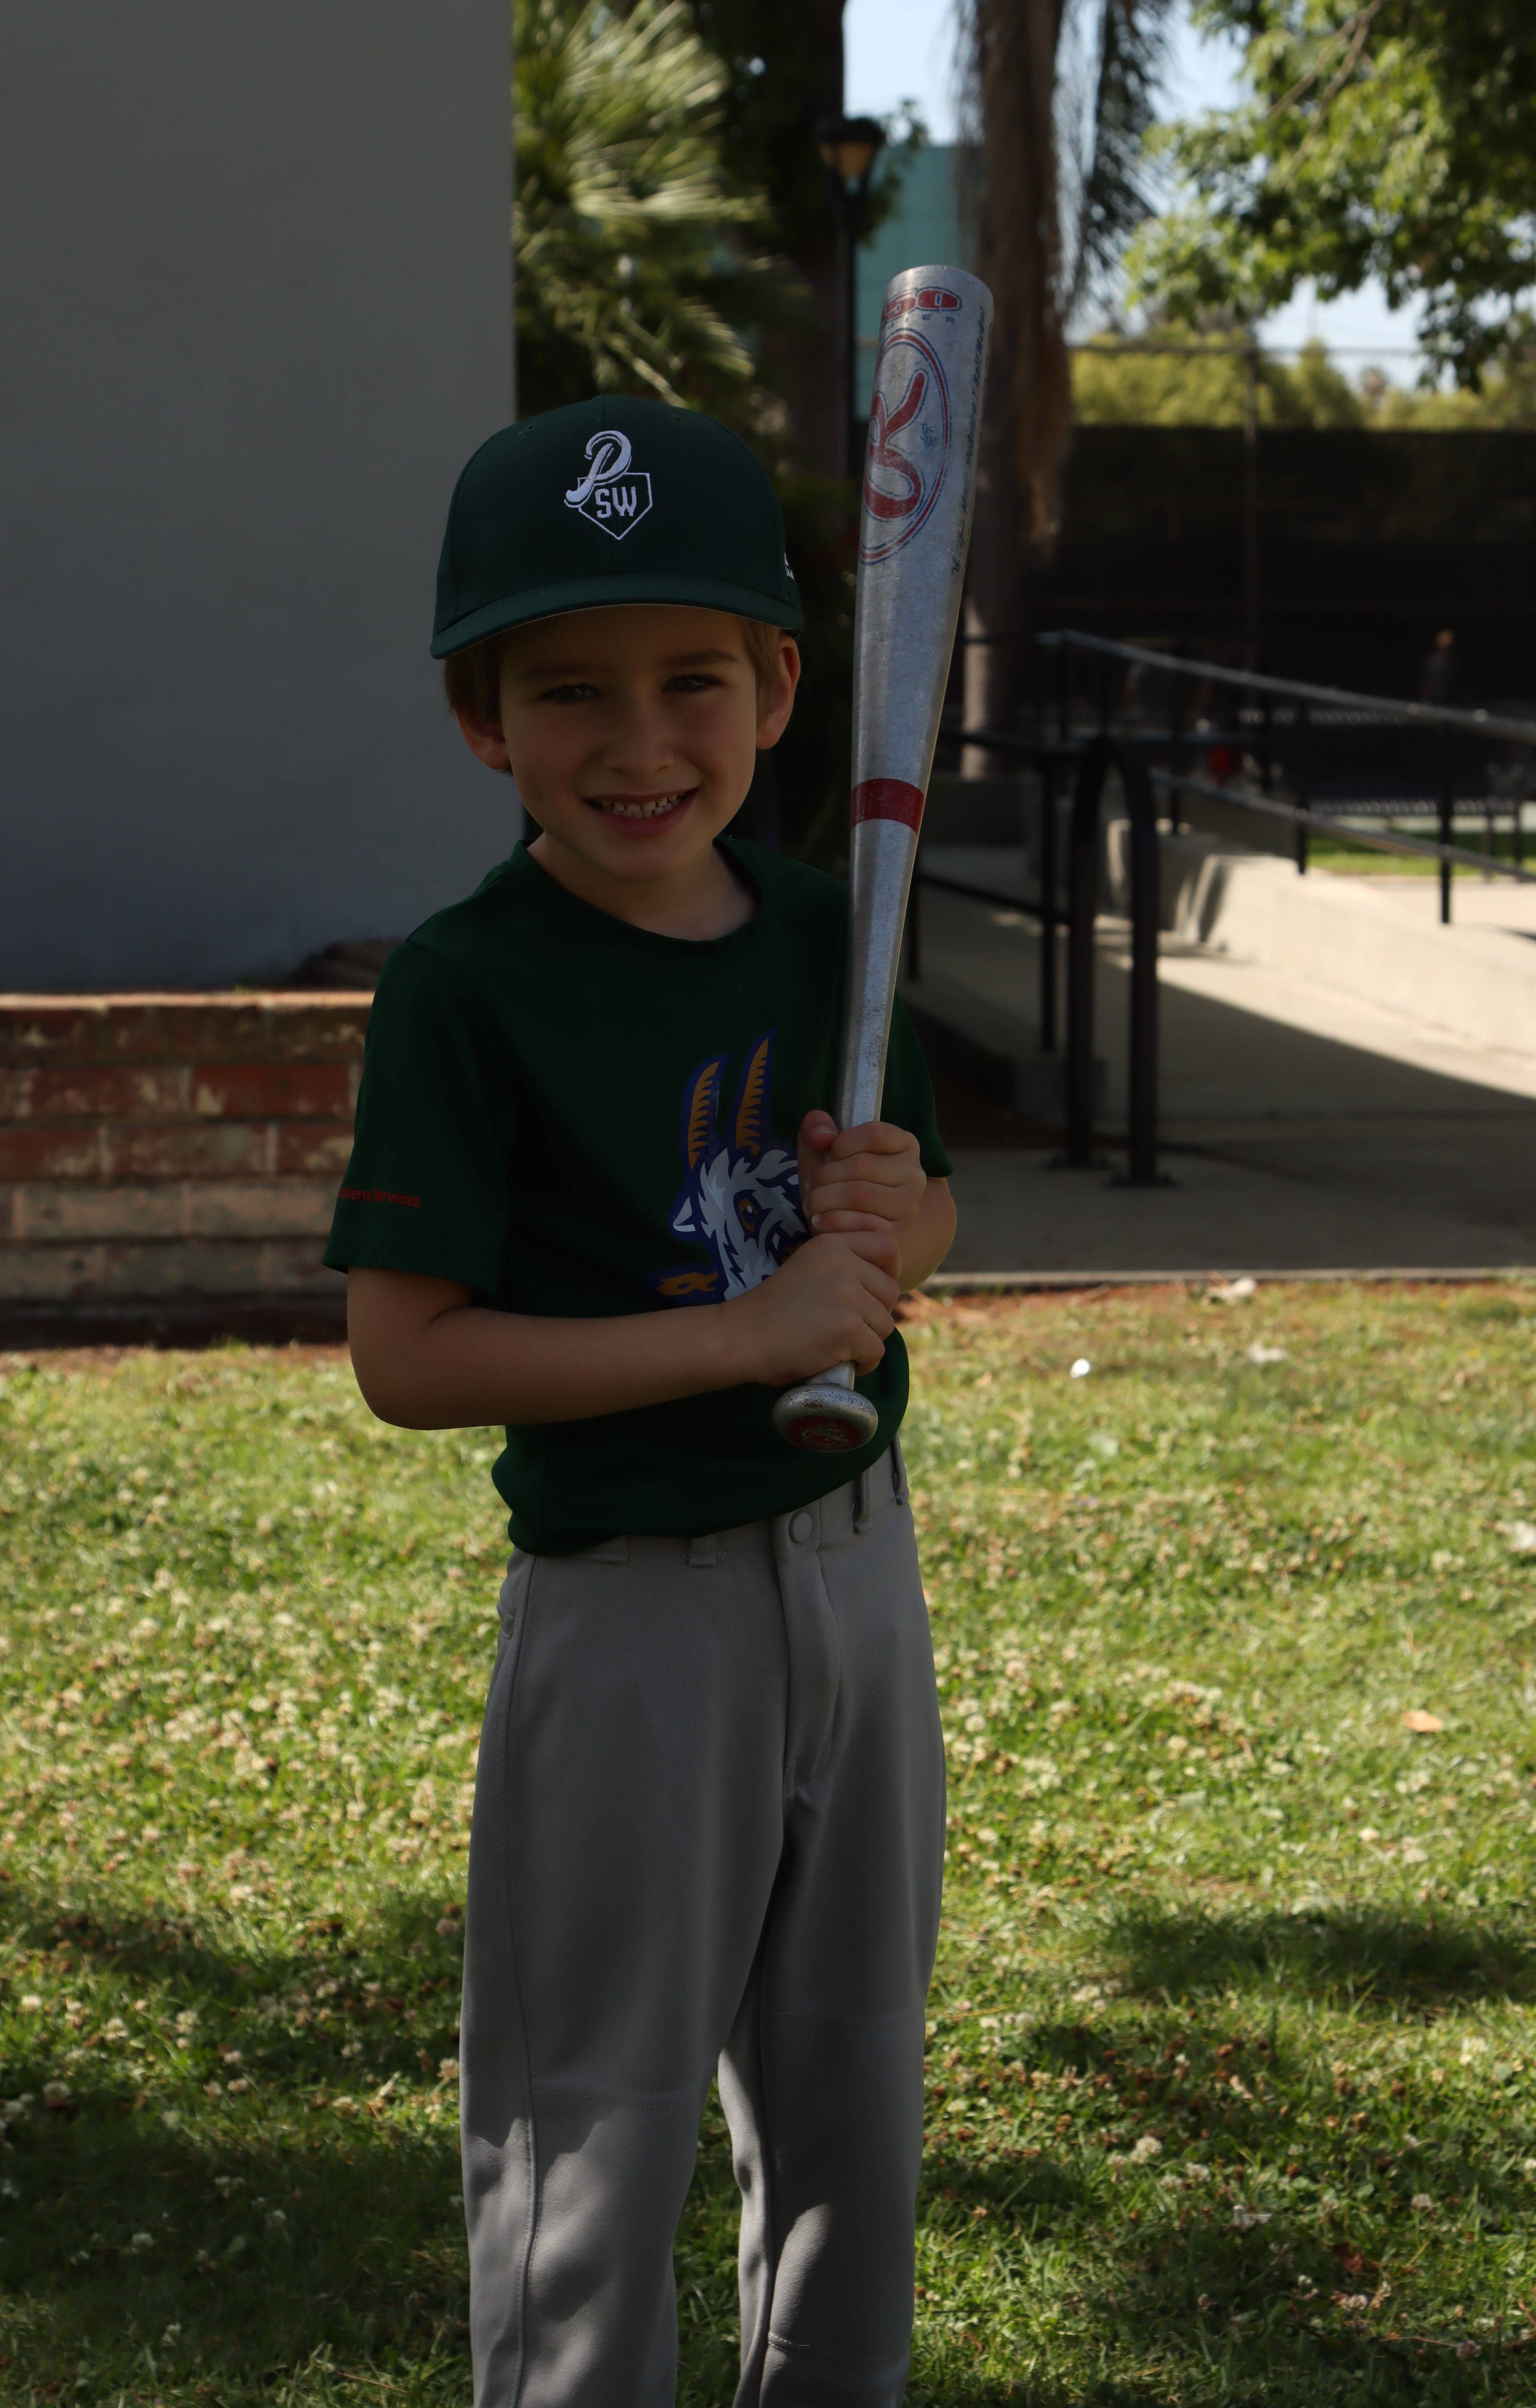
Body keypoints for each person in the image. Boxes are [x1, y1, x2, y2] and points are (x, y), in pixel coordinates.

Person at [323, 395, 957, 2408]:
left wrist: (904, 1224)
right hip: (630, 1613)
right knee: (590, 2126)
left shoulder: (831, 928)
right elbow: (409, 1355)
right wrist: (746, 1336)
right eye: (567, 689)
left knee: (855, 2094)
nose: (638, 739)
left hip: (855, 1576)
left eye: (692, 677)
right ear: (479, 720)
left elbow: (910, 1219)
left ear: (779, 691)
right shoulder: (469, 984)